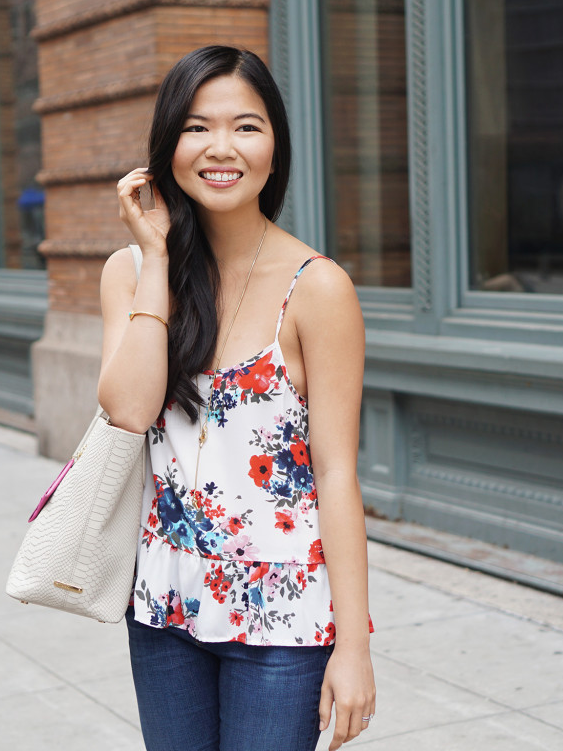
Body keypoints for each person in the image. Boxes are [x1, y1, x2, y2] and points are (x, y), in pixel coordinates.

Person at [97, 45, 376, 751]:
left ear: (275, 148)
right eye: (197, 127)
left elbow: (337, 474)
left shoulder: (318, 288)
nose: (222, 147)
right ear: (168, 146)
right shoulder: (130, 273)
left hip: (284, 618)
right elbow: (129, 411)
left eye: (246, 127)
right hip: (164, 607)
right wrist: (157, 259)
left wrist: (355, 645)